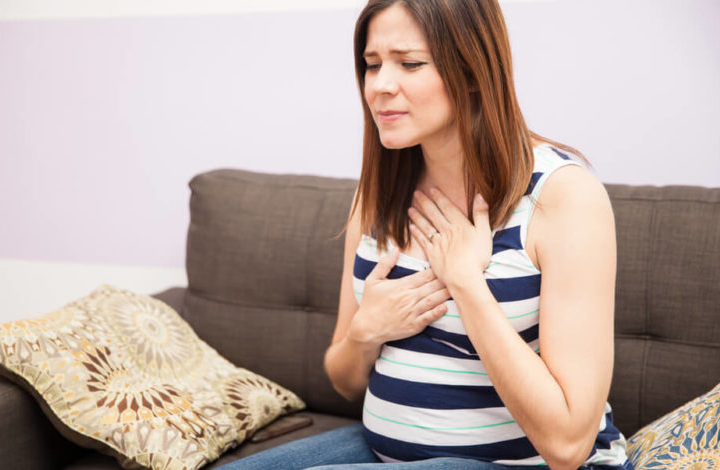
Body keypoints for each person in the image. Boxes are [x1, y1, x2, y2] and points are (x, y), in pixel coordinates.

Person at [220, 0, 632, 469]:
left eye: (410, 63)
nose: (380, 86)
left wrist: (466, 284)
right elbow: (345, 380)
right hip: (387, 453)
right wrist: (366, 332)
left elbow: (567, 446)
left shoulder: (563, 197)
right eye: (372, 65)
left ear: (473, 69)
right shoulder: (377, 195)